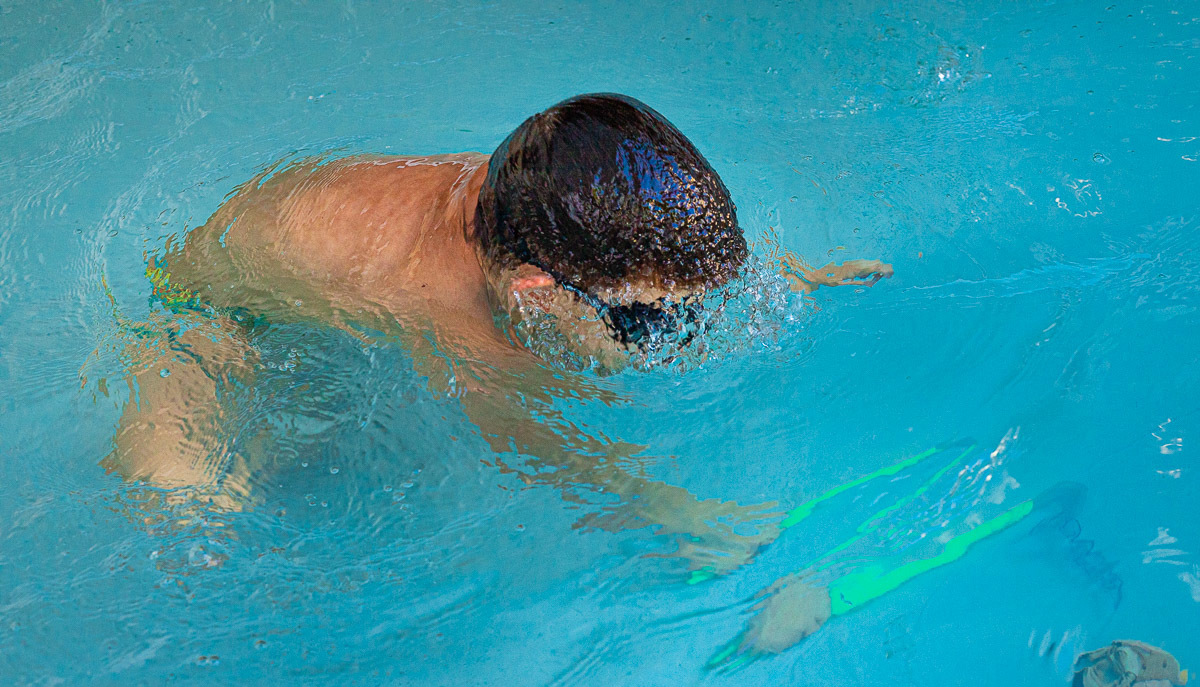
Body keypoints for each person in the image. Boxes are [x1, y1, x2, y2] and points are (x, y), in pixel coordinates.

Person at [107, 93, 891, 571]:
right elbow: (527, 439)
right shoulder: (451, 310)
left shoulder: (540, 200)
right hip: (208, 326)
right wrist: (670, 509)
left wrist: (793, 277)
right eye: (648, 323)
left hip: (321, 306)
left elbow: (654, 236)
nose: (675, 339)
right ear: (536, 293)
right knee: (184, 520)